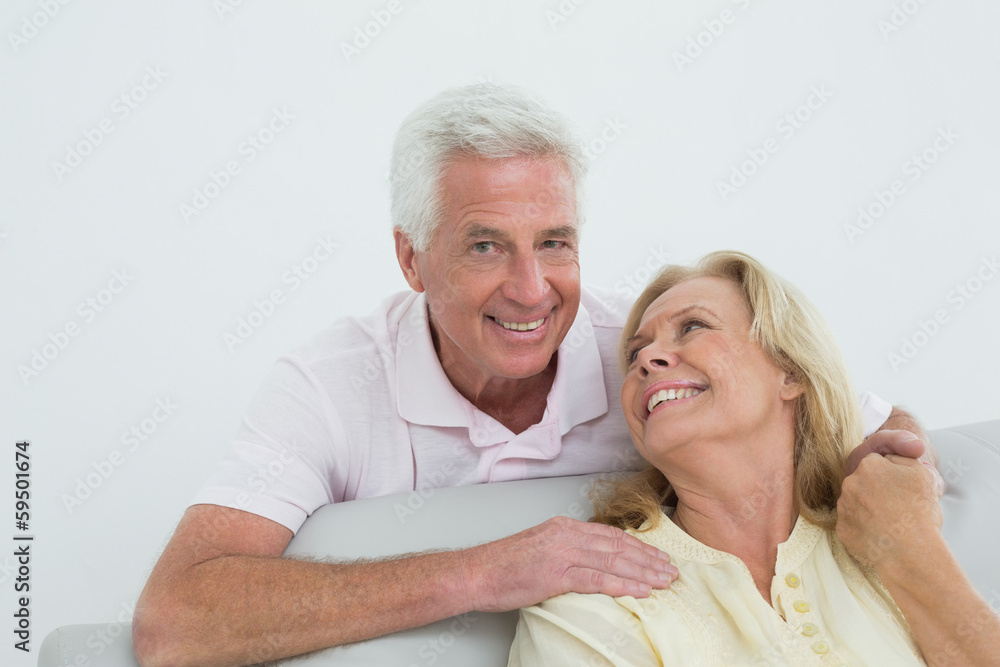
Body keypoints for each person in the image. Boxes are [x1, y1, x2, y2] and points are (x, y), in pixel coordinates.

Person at [132, 85, 926, 667]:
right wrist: (484, 570)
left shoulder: (647, 354)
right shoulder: (331, 388)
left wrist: (887, 497)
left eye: (554, 242)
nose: (531, 289)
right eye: (485, 245)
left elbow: (862, 420)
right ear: (411, 257)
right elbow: (175, 619)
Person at [508, 251, 996, 665]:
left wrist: (912, 546)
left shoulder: (888, 539)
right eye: (637, 352)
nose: (646, 359)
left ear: (791, 372)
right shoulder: (593, 604)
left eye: (692, 327)